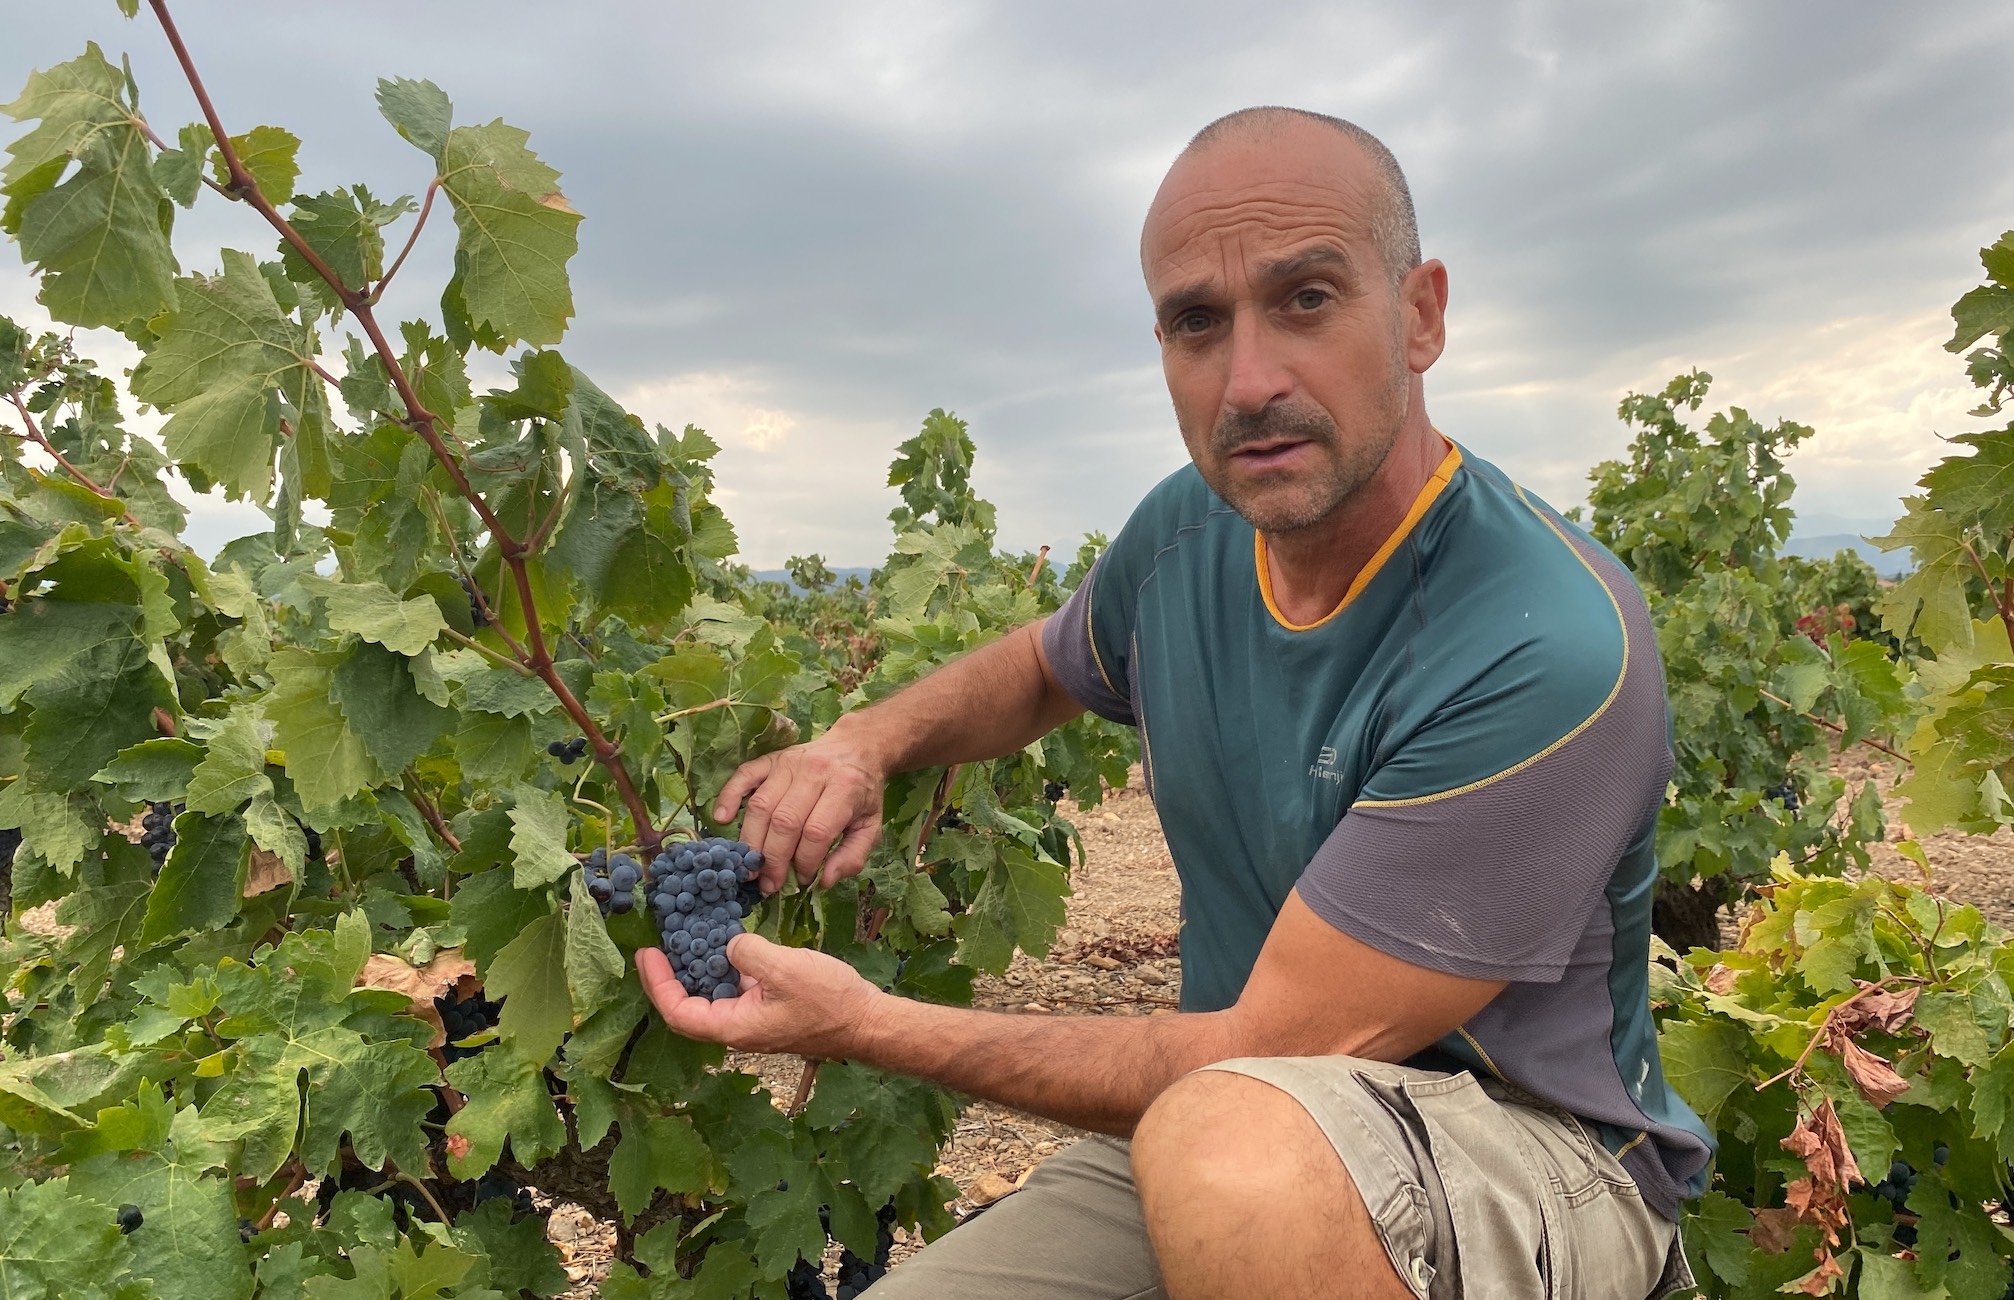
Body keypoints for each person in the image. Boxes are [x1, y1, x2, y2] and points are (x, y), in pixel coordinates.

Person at [637, 106, 1711, 1300]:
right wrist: (863, 741)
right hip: (1233, 1123)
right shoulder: (1188, 535)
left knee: (1231, 1149)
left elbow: (1271, 1052)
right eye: (1197, 322)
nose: (1248, 380)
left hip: (1533, 1162)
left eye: (1305, 297)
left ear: (1419, 316)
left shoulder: (1541, 641)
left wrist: (863, 1023)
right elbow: (1048, 664)